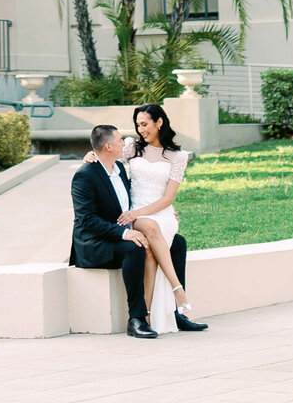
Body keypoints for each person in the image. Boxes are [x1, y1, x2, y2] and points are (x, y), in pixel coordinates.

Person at [72, 119, 207, 338]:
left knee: (177, 243)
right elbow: (88, 221)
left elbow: (134, 199)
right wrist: (126, 233)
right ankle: (136, 318)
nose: (125, 143)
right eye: (119, 141)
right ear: (109, 147)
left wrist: (164, 212)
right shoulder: (85, 176)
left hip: (123, 227)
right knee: (136, 248)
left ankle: (174, 312)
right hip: (95, 242)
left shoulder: (117, 167)